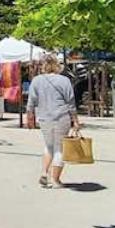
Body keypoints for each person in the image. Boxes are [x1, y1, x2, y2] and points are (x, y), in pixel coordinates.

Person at [26, 54, 79, 189]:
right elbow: (70, 102)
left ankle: (44, 173)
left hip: (44, 118)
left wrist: (29, 116)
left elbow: (31, 101)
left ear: (43, 66)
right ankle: (55, 180)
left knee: (49, 146)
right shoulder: (64, 80)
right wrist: (75, 120)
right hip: (61, 117)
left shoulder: (36, 80)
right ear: (57, 65)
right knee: (60, 149)